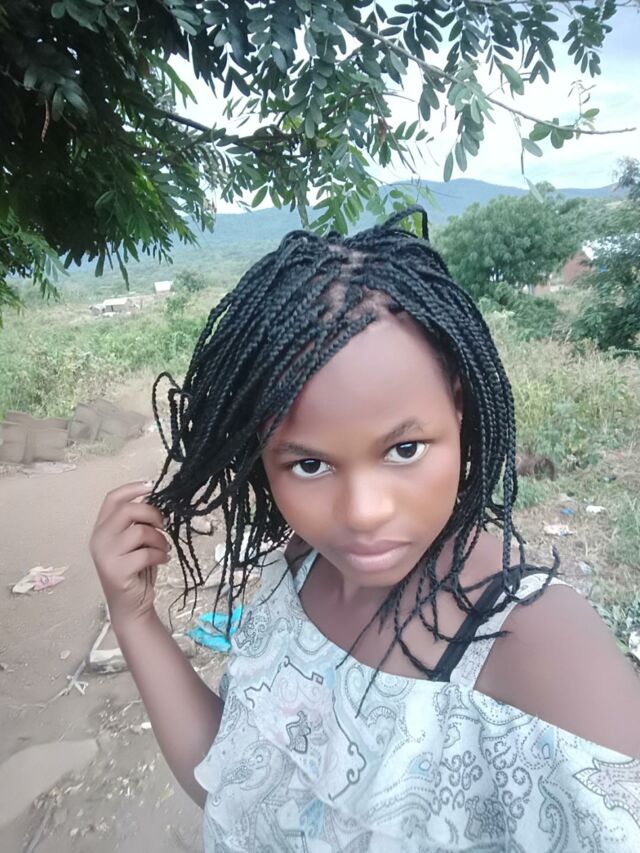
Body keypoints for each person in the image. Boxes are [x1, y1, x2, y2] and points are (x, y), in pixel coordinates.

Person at [90, 209, 640, 852]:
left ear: (459, 407)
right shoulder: (297, 570)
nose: (363, 512)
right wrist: (134, 619)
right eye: (309, 464)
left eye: (405, 449)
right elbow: (233, 786)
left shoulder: (539, 642)